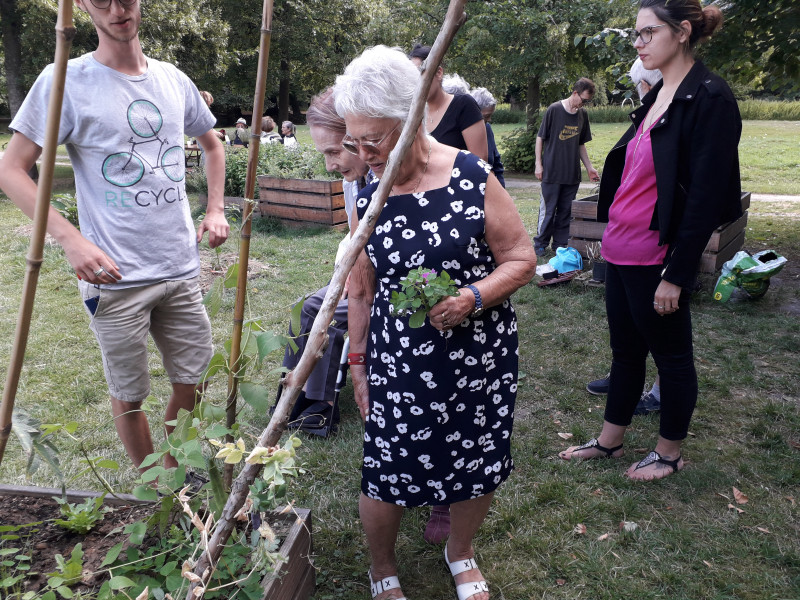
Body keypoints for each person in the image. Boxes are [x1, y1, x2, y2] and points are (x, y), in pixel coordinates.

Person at [335, 45, 536, 600]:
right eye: (354, 140)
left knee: (476, 458)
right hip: (399, 359)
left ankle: (461, 551)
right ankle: (382, 568)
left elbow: (521, 257)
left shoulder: (470, 175)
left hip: (479, 357)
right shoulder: (367, 191)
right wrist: (357, 364)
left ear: (414, 116)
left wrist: (474, 296)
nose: (364, 153)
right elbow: (362, 287)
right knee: (388, 467)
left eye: (374, 138)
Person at [0, 0, 229, 474]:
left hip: (181, 267)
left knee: (196, 377)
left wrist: (215, 207)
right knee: (130, 394)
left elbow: (211, 143)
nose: (116, 9)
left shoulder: (172, 79)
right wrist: (70, 239)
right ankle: (156, 490)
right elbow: (11, 169)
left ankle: (169, 473)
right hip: (114, 277)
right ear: (83, 6)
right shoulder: (65, 80)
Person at [559, 0, 741, 481]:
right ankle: (610, 441)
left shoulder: (709, 97)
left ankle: (668, 453)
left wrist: (677, 274)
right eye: (634, 35)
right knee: (624, 353)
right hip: (621, 247)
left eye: (646, 33)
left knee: (672, 357)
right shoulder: (657, 93)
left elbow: (704, 198)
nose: (638, 43)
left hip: (656, 256)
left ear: (682, 32)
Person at [408, 43, 489, 545]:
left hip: (457, 235)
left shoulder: (463, 108)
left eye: (424, 71)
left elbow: (476, 168)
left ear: (439, 70)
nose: (419, 79)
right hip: (410, 234)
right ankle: (419, 480)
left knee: (458, 381)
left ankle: (446, 499)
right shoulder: (404, 111)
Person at [278, 88, 370, 434]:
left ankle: (320, 404)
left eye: (334, 151)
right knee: (304, 307)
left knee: (328, 320)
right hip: (359, 277)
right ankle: (293, 387)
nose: (330, 165)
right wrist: (346, 274)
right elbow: (354, 235)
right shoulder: (353, 181)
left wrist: (356, 281)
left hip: (383, 290)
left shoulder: (388, 181)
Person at [585, 58, 665, 415]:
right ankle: (625, 377)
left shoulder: (674, 117)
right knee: (630, 331)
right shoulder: (645, 120)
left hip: (653, 248)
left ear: (646, 86)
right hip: (625, 243)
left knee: (659, 331)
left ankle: (660, 390)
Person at [533, 78, 600, 256]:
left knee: (565, 211)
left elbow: (581, 145)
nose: (584, 104)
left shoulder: (582, 115)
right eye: (583, 100)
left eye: (588, 102)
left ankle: (560, 244)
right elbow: (540, 138)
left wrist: (589, 168)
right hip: (552, 172)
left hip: (571, 174)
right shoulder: (554, 110)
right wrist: (538, 165)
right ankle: (540, 243)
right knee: (548, 210)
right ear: (575, 93)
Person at [408, 44, 488, 161]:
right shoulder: (411, 113)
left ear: (439, 72)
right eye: (411, 77)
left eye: (419, 74)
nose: (415, 82)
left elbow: (480, 161)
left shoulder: (464, 105)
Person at [470, 87, 506, 188]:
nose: (489, 119)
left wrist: (501, 188)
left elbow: (496, 162)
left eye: (491, 115)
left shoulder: (487, 128)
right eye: (486, 116)